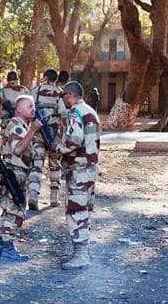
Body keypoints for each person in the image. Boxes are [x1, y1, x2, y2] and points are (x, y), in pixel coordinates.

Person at [56, 81, 100, 269]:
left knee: (76, 211)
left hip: (79, 170)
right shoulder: (90, 111)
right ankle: (83, 252)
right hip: (90, 169)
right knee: (85, 211)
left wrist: (57, 148)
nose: (63, 101)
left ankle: (81, 255)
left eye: (63, 97)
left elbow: (74, 139)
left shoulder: (75, 112)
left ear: (69, 95)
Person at [0, 95, 43, 262]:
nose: (33, 109)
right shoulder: (17, 125)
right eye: (30, 106)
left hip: (16, 172)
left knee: (8, 210)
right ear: (19, 109)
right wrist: (33, 131)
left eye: (34, 106)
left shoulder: (20, 125)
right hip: (16, 173)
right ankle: (8, 248)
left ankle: (0, 247)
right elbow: (18, 149)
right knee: (16, 213)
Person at [27, 69, 63, 209]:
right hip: (54, 134)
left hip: (38, 132)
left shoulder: (35, 91)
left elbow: (29, 111)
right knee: (55, 165)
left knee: (36, 165)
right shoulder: (60, 92)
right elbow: (64, 113)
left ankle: (33, 196)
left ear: (45, 77)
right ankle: (54, 199)